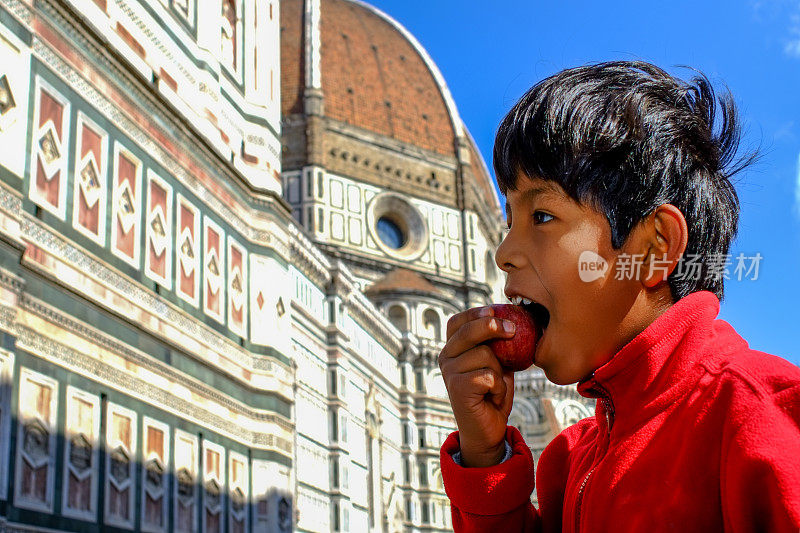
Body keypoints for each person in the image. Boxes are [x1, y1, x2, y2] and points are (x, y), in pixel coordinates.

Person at [437, 61, 800, 532]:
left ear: (652, 250)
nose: (504, 252)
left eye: (542, 216)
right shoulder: (567, 463)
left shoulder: (757, 414)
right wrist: (485, 458)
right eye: (508, 222)